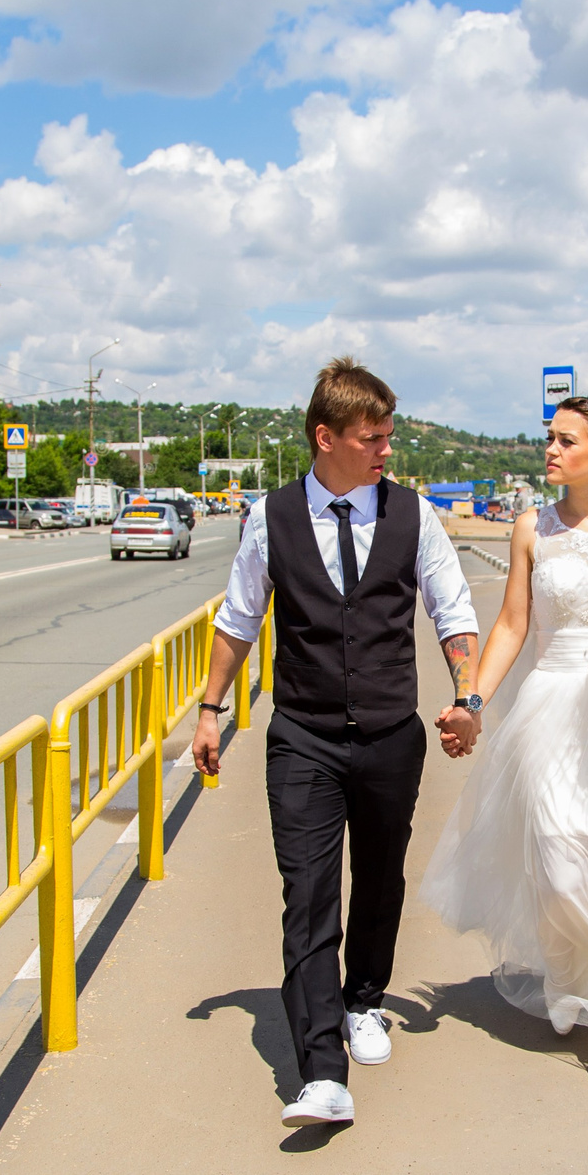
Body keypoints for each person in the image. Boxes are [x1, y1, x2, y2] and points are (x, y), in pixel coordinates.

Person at [191, 359, 481, 1129]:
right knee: (309, 895)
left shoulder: (415, 516)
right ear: (326, 438)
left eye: (389, 434)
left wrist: (468, 697)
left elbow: (453, 612)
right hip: (304, 740)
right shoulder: (271, 517)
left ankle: (364, 1000)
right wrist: (210, 708)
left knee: (380, 880)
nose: (387, 448)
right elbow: (239, 619)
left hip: (391, 736)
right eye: (372, 437)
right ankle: (321, 1069)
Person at [420, 396, 588, 1096]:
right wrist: (472, 697)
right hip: (553, 708)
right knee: (561, 867)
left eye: (567, 440)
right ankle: (572, 972)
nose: (551, 450)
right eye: (550, 438)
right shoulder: (533, 527)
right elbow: (511, 623)